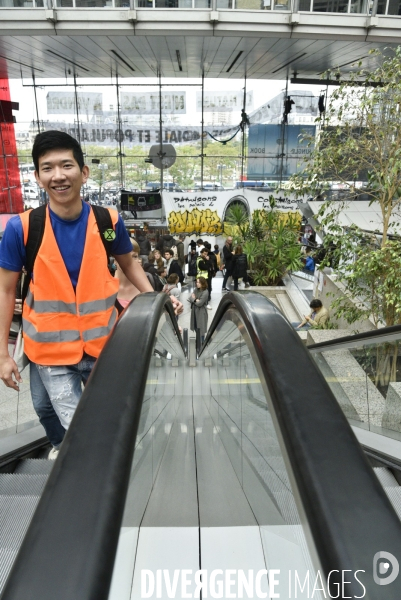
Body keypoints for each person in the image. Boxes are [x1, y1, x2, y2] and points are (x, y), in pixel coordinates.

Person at [0, 131, 153, 459]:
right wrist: (3, 354)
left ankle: (97, 464)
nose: (58, 175)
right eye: (47, 168)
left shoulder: (106, 221)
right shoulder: (22, 229)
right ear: (38, 177)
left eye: (66, 165)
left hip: (101, 345)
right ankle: (76, 458)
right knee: (59, 417)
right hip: (50, 348)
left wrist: (156, 299)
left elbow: (125, 258)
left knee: (98, 417)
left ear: (83, 172)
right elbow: (5, 289)